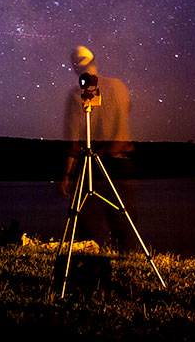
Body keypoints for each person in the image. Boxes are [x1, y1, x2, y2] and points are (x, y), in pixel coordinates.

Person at [60, 45, 136, 251]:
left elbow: (74, 139)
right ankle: (127, 258)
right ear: (95, 62)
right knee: (122, 219)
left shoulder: (77, 95)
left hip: (92, 164)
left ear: (76, 68)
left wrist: (67, 175)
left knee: (85, 221)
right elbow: (126, 111)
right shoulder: (119, 86)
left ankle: (88, 264)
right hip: (122, 162)